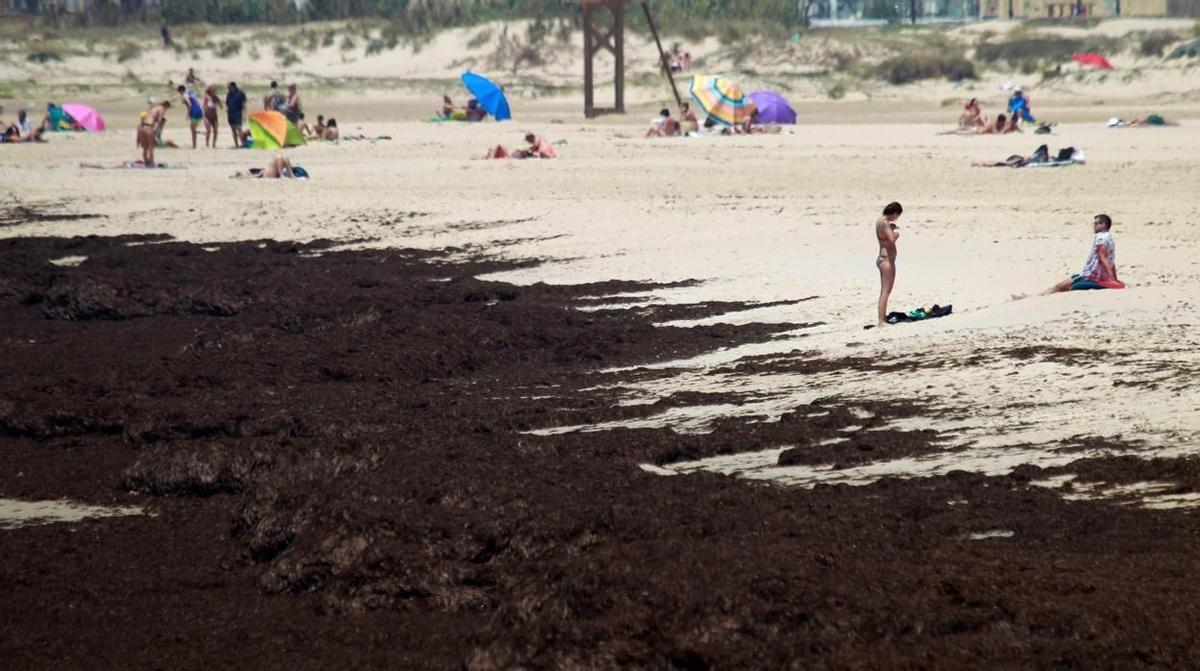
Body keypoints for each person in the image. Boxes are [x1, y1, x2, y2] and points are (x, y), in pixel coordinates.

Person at [1043, 214, 1119, 294]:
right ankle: (1044, 293)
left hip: (1091, 274)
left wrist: (1112, 279)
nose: (1094, 226)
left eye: (1096, 224)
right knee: (1063, 284)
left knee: (1059, 287)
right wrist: (1115, 278)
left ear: (1104, 225)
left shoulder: (1101, 238)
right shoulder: (1109, 237)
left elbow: (1103, 257)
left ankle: (1042, 295)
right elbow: (1111, 260)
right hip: (1099, 275)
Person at [875, 202, 903, 327]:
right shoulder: (885, 222)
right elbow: (892, 239)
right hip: (886, 260)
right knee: (886, 291)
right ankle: (881, 320)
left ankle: (883, 318)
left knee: (885, 291)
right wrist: (896, 233)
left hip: (884, 258)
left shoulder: (880, 221)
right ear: (895, 213)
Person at [138, 100, 169, 166]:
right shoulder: (162, 109)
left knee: (145, 147)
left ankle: (146, 162)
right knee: (151, 147)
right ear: (166, 106)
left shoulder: (154, 108)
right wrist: (156, 130)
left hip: (142, 127)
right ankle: (152, 163)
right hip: (149, 127)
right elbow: (159, 120)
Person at [486, 133, 555, 159]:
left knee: (500, 146)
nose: (529, 142)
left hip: (513, 157)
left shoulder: (539, 143)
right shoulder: (539, 145)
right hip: (518, 155)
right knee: (501, 147)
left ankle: (490, 156)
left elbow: (539, 149)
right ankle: (490, 155)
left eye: (528, 140)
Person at [177, 85, 202, 149]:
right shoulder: (190, 93)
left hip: (194, 111)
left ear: (181, 91)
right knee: (193, 128)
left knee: (193, 129)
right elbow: (195, 102)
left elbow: (189, 105)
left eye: (179, 92)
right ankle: (194, 145)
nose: (179, 93)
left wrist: (188, 114)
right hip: (199, 110)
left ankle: (194, 145)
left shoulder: (185, 95)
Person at [233, 155, 302, 179]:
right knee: (278, 157)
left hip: (266, 172)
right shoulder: (247, 174)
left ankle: (291, 175)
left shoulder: (248, 171)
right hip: (265, 174)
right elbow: (254, 177)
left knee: (283, 157)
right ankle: (286, 175)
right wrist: (259, 174)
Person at [225, 81, 247, 149]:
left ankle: (243, 144)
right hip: (230, 113)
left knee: (239, 128)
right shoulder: (229, 94)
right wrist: (227, 109)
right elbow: (227, 103)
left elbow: (244, 104)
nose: (228, 88)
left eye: (229, 87)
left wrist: (244, 114)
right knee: (233, 129)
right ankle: (236, 144)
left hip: (238, 112)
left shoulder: (241, 93)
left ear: (233, 86)